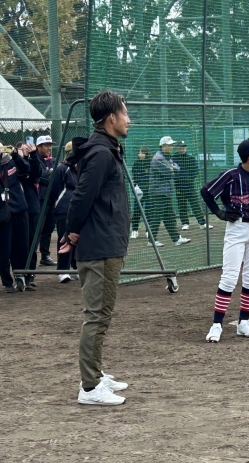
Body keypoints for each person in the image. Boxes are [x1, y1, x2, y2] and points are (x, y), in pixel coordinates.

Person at [62, 90, 131, 405]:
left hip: (107, 243)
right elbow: (81, 197)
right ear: (111, 118)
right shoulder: (101, 153)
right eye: (125, 113)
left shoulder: (108, 148)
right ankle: (89, 388)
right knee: (97, 316)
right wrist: (72, 232)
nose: (128, 119)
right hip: (99, 246)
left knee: (102, 314)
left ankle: (96, 374)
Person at [201, 138, 249, 342]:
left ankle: (244, 322)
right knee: (229, 277)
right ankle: (216, 325)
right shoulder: (231, 175)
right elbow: (206, 191)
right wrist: (219, 213)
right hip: (237, 228)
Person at [0, 143, 33, 292]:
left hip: (19, 209)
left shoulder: (12, 162)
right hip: (3, 213)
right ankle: (7, 281)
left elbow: (26, 169)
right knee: (5, 249)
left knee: (22, 245)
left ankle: (23, 276)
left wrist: (15, 155)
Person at [147, 136, 191, 247]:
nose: (171, 147)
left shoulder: (167, 157)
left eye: (172, 145)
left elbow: (177, 169)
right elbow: (170, 171)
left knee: (169, 217)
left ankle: (176, 239)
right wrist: (172, 168)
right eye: (169, 145)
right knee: (157, 216)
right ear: (162, 146)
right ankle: (151, 240)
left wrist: (172, 168)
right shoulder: (158, 158)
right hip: (158, 193)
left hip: (166, 192)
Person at [49, 141, 78, 283]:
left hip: (76, 210)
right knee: (63, 238)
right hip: (64, 209)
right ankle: (62, 270)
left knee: (76, 238)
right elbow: (53, 190)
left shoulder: (79, 170)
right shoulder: (61, 168)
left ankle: (75, 267)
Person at [172, 140, 210, 231]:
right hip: (179, 185)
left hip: (189, 185)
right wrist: (177, 178)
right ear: (177, 148)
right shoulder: (173, 158)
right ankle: (185, 223)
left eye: (184, 147)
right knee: (182, 204)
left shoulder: (190, 158)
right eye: (180, 147)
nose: (182, 148)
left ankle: (202, 223)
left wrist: (189, 179)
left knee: (195, 203)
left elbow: (195, 170)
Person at [19, 141, 41, 288]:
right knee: (19, 243)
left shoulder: (33, 162)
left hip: (32, 208)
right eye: (21, 150)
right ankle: (19, 273)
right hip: (17, 210)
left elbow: (36, 173)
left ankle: (30, 274)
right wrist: (20, 157)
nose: (24, 151)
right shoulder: (13, 164)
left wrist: (32, 156)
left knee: (32, 242)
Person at [35, 135, 57, 267]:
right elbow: (41, 176)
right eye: (46, 145)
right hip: (39, 200)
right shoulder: (35, 160)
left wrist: (50, 175)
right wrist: (50, 175)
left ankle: (45, 256)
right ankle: (31, 256)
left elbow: (56, 176)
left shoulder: (52, 161)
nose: (49, 148)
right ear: (39, 147)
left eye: (50, 145)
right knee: (38, 229)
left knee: (48, 228)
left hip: (51, 199)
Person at [130, 146, 151, 239]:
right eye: (139, 152)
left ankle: (148, 231)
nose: (140, 154)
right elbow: (134, 178)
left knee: (149, 210)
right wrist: (135, 187)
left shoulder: (150, 163)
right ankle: (135, 230)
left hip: (148, 191)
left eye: (142, 152)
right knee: (137, 210)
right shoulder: (136, 164)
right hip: (139, 192)